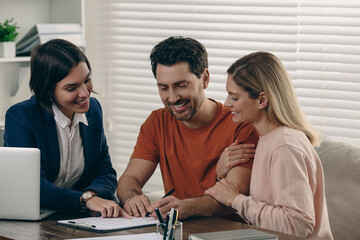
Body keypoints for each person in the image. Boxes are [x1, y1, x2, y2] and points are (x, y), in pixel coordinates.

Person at [116, 36, 259, 220]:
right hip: (177, 229)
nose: (173, 97)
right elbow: (129, 180)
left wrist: (185, 207)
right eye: (163, 88)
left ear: (205, 79)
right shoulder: (157, 122)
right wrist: (133, 198)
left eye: (181, 85)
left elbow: (233, 198)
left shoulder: (240, 124)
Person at [205, 51, 333, 239]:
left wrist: (237, 201)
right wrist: (221, 172)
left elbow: (297, 225)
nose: (226, 104)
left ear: (262, 100)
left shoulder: (285, 147)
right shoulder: (266, 139)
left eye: (234, 97)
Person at [4, 39, 129, 218]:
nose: (85, 93)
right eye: (72, 88)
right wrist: (84, 199)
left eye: (87, 80)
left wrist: (92, 196)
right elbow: (30, 186)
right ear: (48, 90)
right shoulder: (21, 117)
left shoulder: (93, 109)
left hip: (77, 216)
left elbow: (105, 171)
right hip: (33, 218)